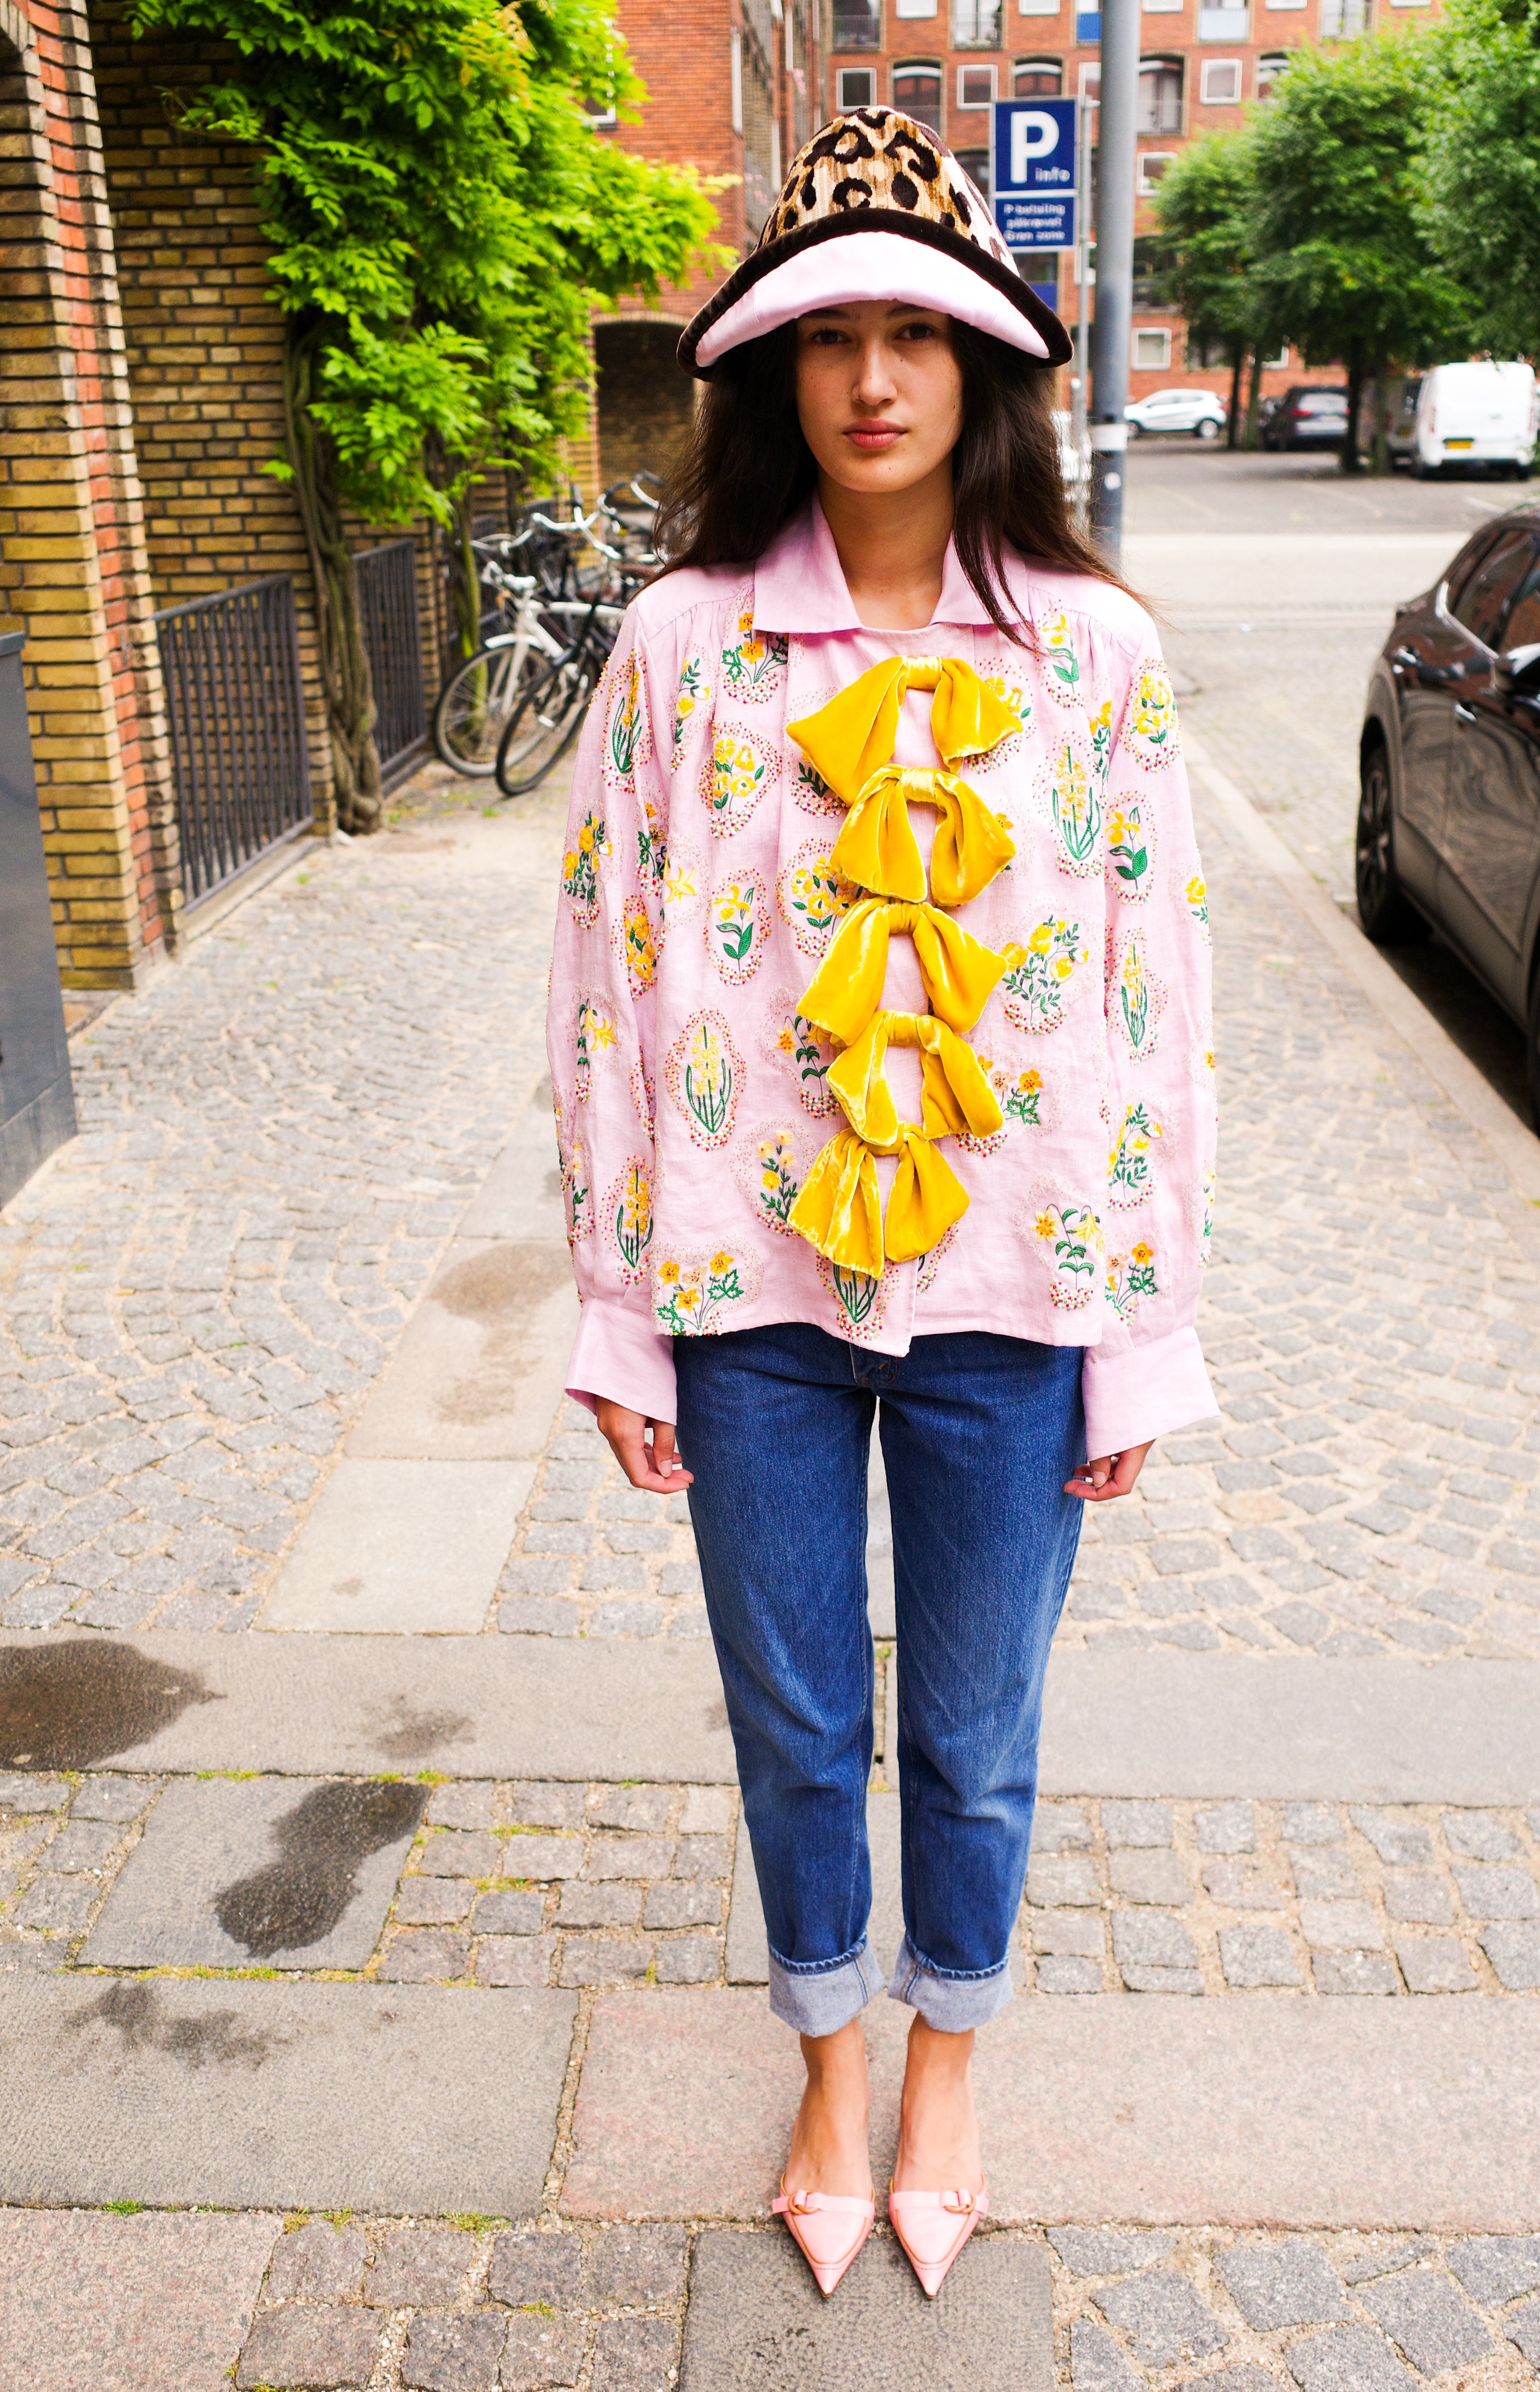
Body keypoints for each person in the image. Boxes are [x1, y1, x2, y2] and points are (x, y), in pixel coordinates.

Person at [547, 108, 1216, 2299]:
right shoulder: (679, 643)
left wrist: (1143, 1325)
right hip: (740, 1281)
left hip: (1019, 1284)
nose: (867, 380)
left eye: (910, 336)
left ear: (982, 374)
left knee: (978, 1728)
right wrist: (613, 1309)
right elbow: (608, 982)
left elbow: (1152, 1002)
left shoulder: (1091, 657)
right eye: (821, 338)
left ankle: (947, 2065)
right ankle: (824, 2057)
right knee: (791, 1710)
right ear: (766, 377)